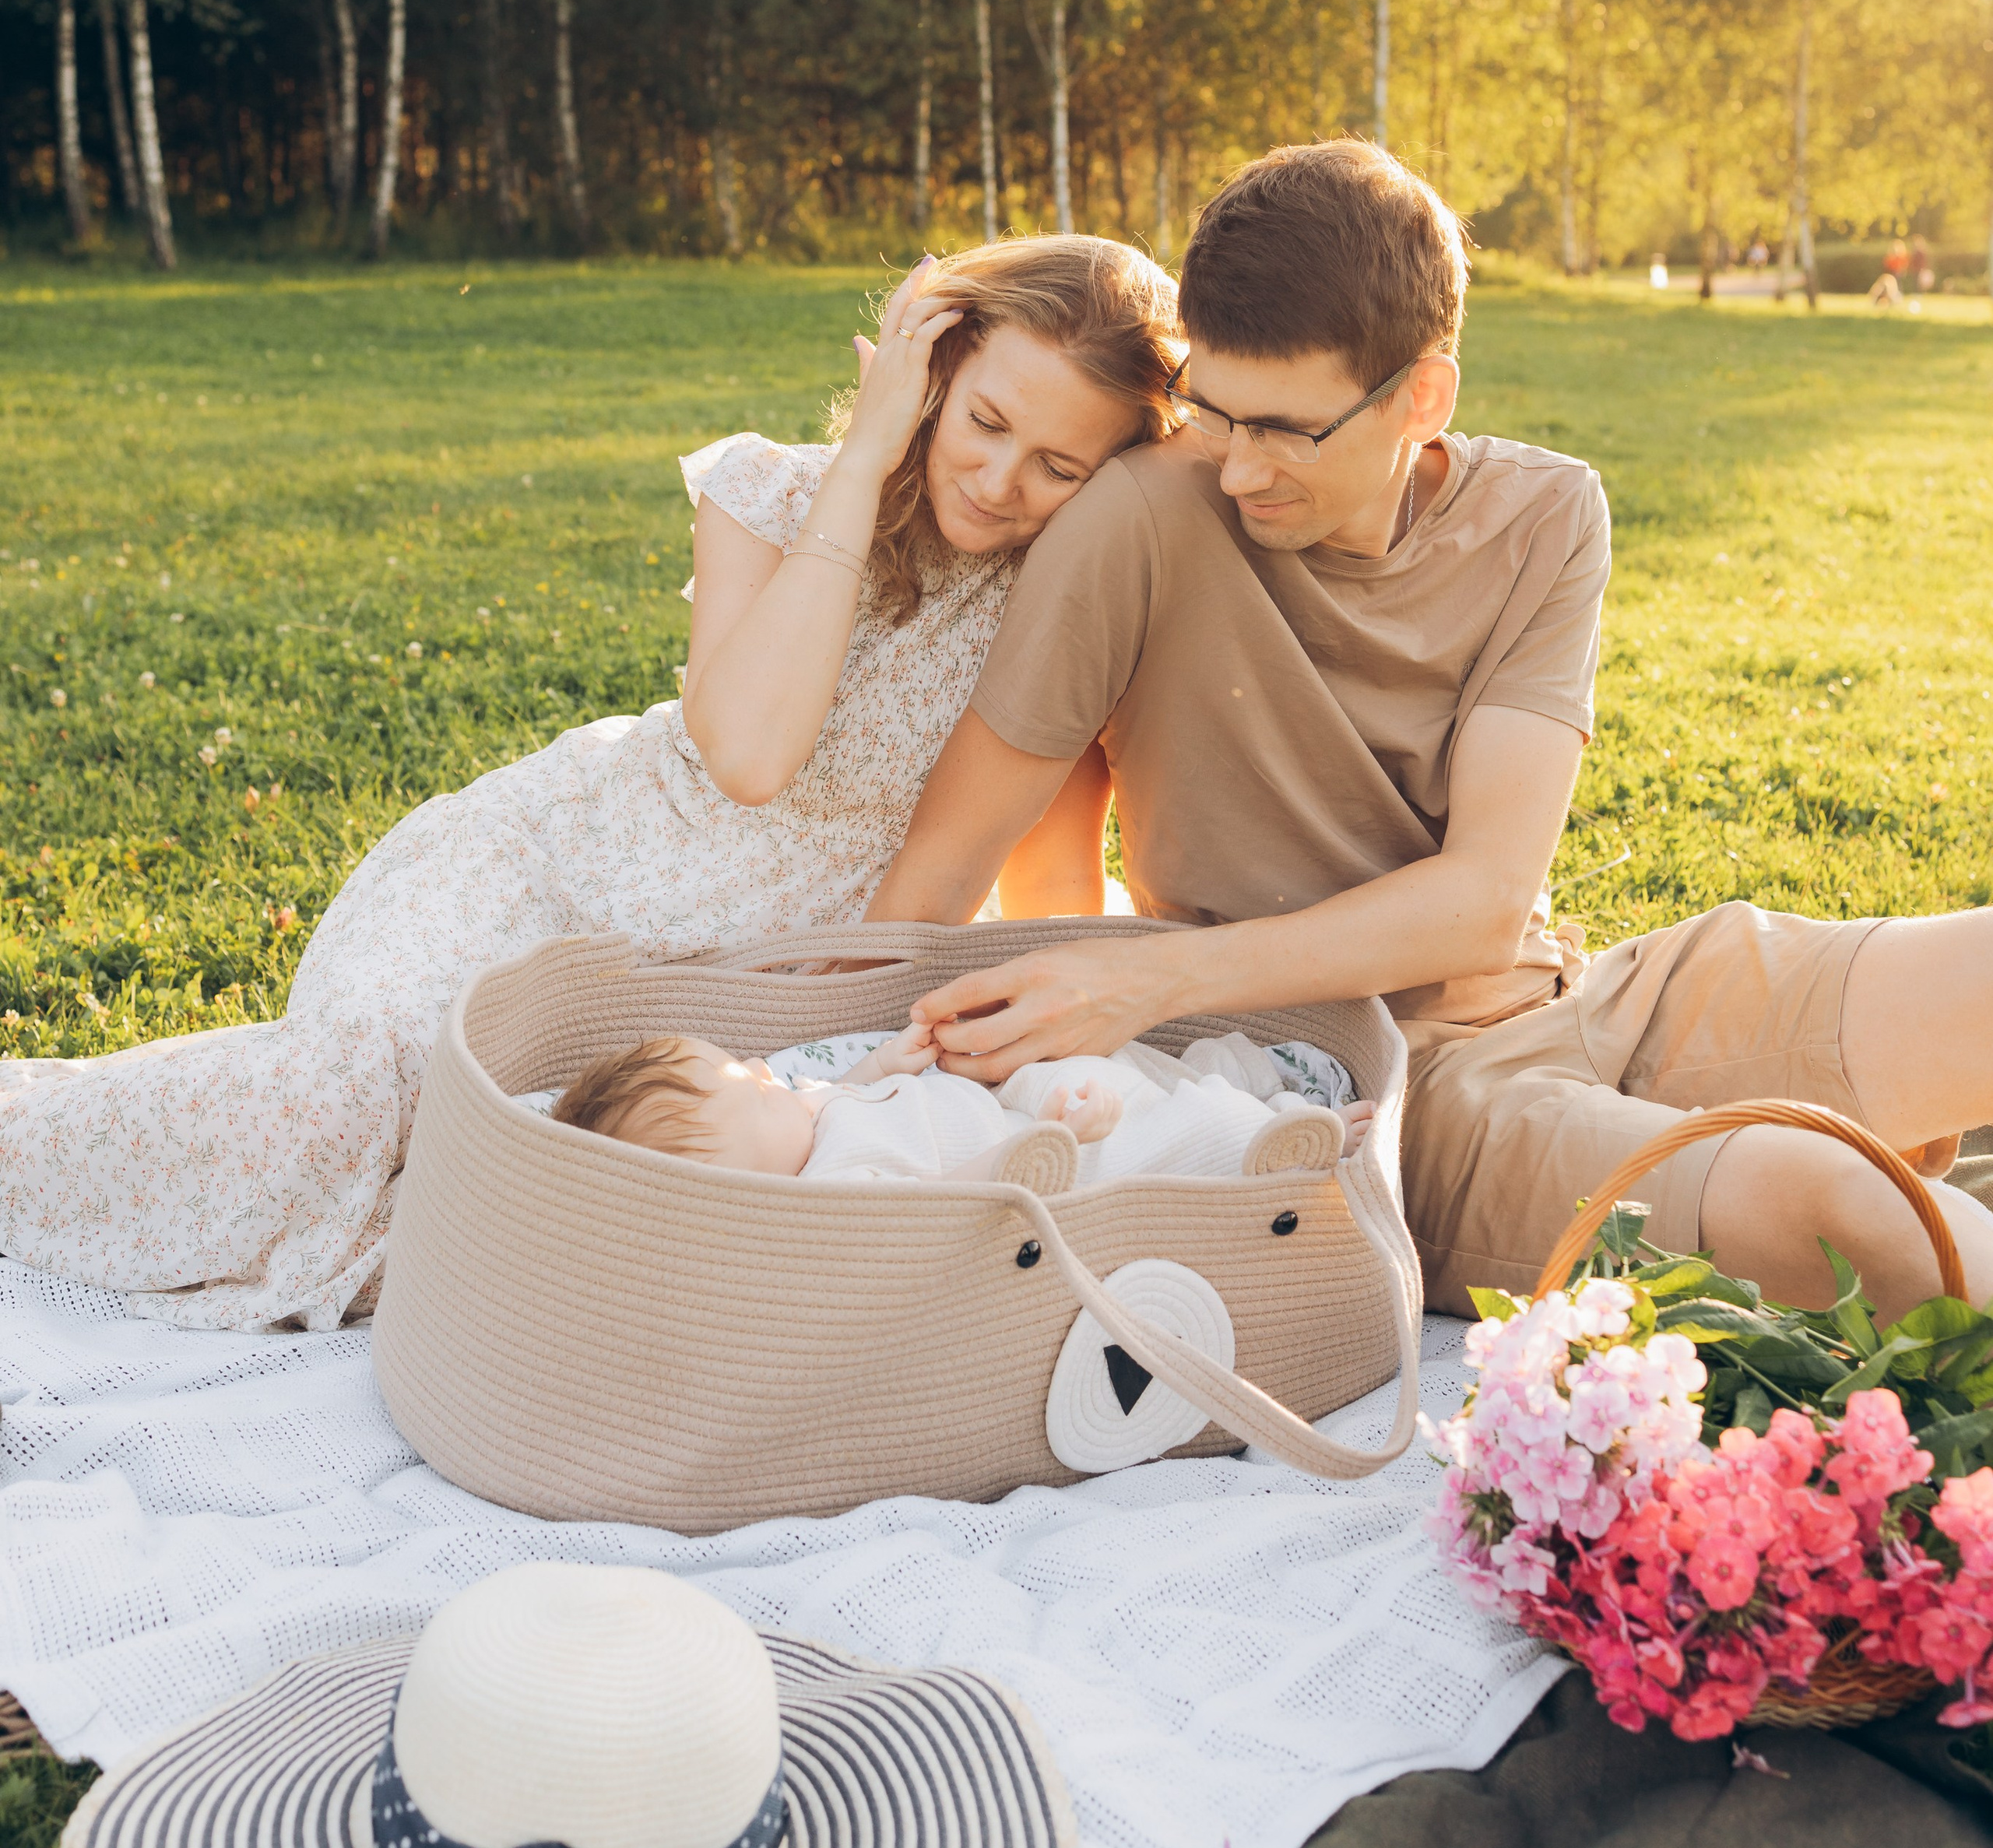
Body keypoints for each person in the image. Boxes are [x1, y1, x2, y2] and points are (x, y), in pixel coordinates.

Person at [866, 142, 1993, 1326]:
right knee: (1855, 1212)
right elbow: (936, 879)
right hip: (1383, 1085)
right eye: (1217, 411)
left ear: (1422, 397)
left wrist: (1146, 975)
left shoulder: (1548, 511)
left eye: (1288, 429)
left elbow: (1482, 903)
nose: (1239, 468)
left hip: (1598, 994)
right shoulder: (1137, 521)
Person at [0, 234, 1180, 1328]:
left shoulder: (1048, 608)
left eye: (1059, 466)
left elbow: (1036, 878)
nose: (999, 478)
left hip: (719, 1018)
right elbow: (752, 756)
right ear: (931, 372)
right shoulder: (772, 495)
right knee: (343, 1105)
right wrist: (867, 461)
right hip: (548, 876)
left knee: (505, 1217)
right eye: (982, 420)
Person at [549, 1021, 1355, 1186]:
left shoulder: (808, 1115)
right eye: (748, 1087)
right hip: (1060, 1167)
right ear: (741, 1181)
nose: (765, 1067)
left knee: (1097, 1058)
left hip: (1015, 1102)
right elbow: (942, 1211)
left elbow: (846, 1095)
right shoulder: (831, 1196)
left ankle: (1237, 1066)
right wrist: (1042, 1142)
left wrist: (880, 1065)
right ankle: (1290, 1135)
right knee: (1189, 1134)